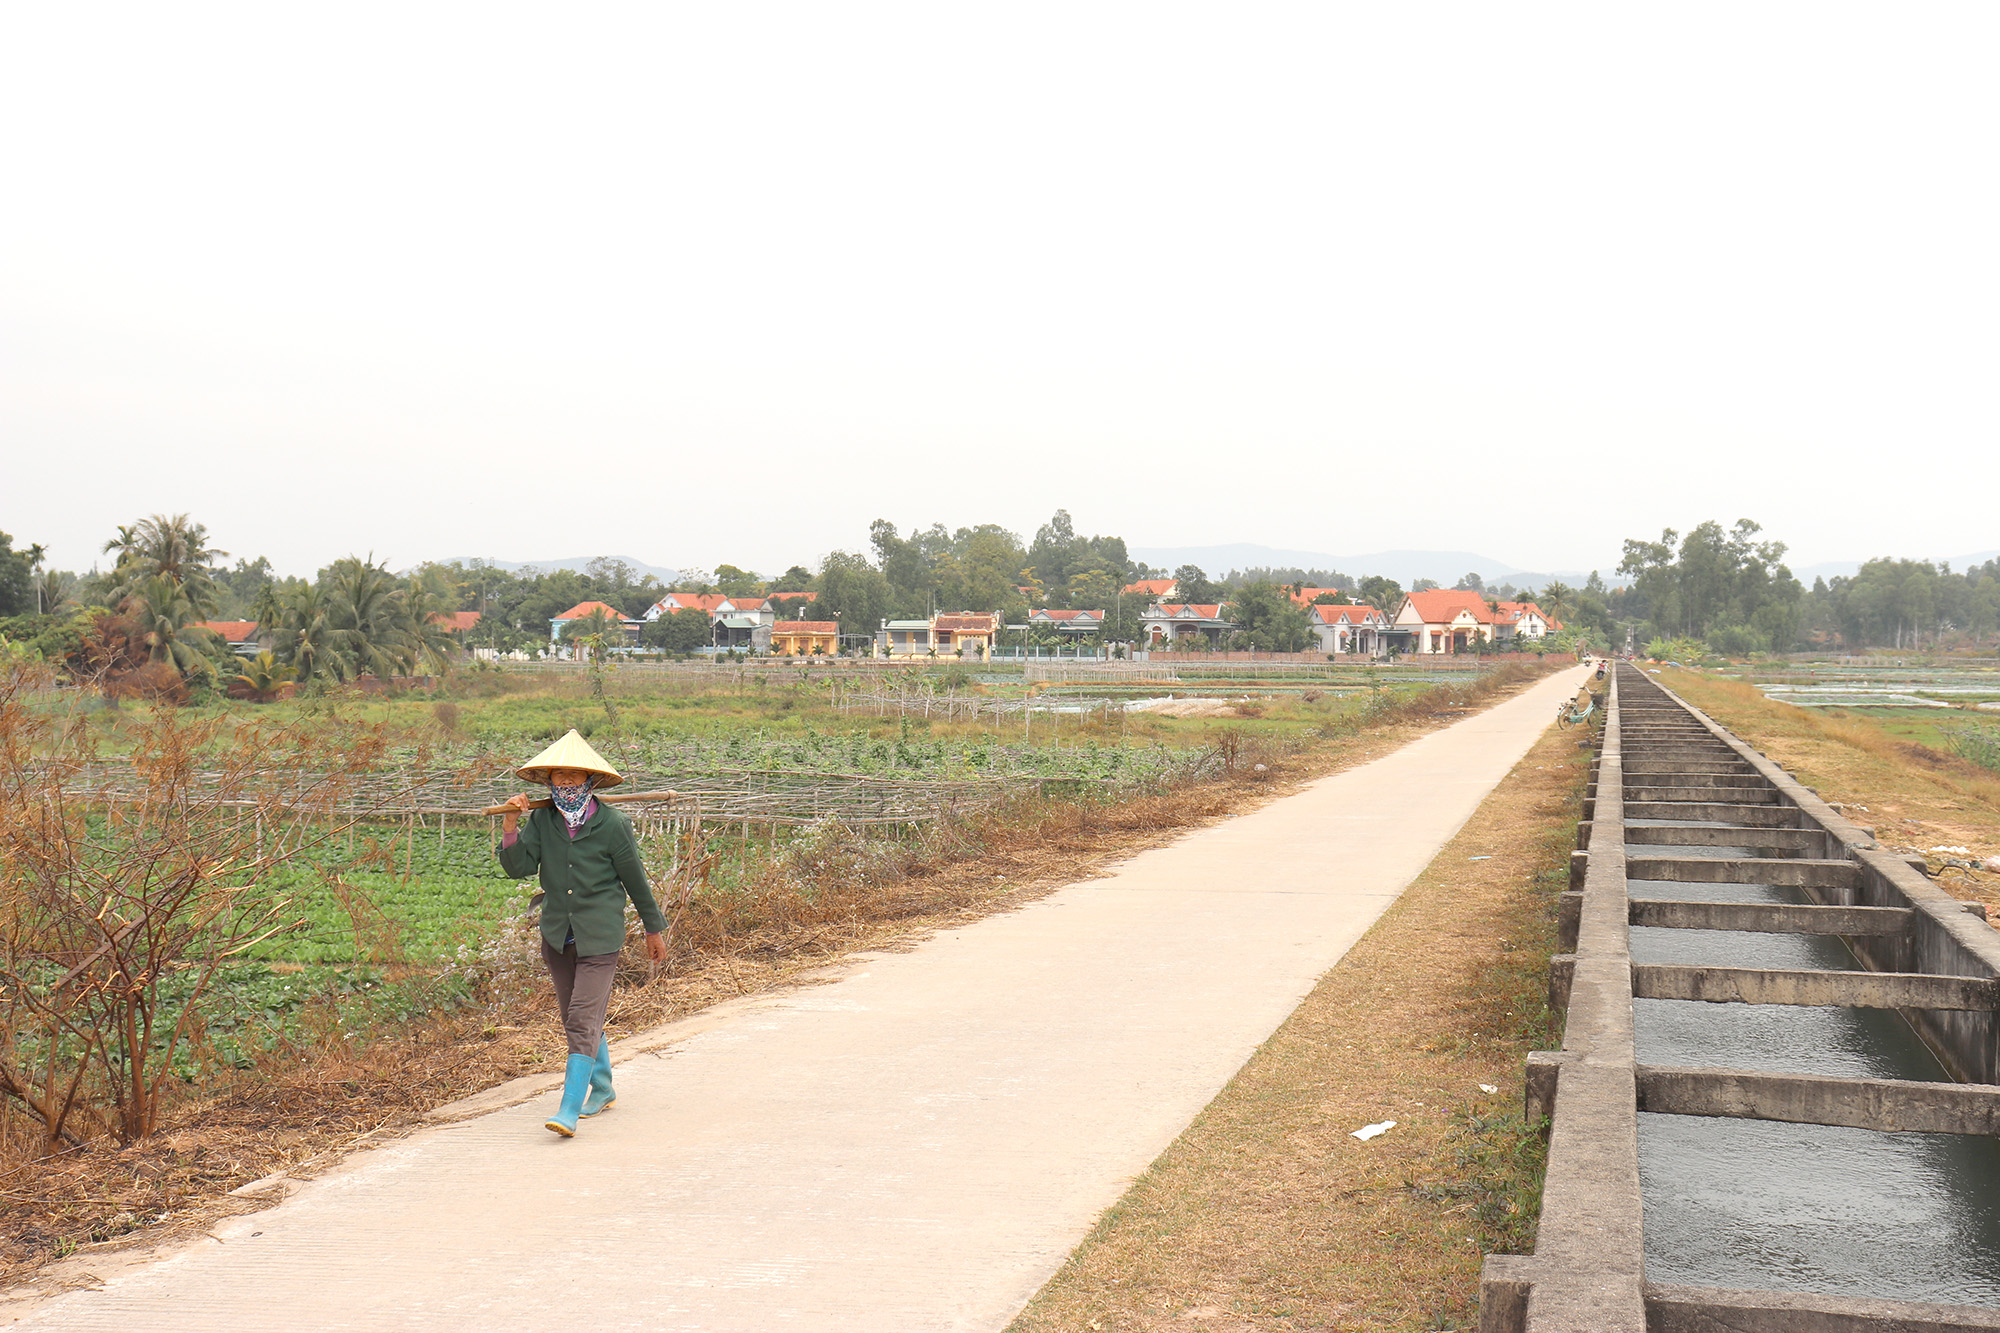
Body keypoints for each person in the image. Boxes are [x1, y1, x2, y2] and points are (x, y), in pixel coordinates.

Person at [496, 729, 669, 1137]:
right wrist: (509, 824)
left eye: (576, 775)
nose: (567, 782)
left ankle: (569, 1108)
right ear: (550, 781)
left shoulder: (612, 824)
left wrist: (653, 927)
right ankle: (604, 1087)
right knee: (577, 1016)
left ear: (590, 780)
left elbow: (635, 880)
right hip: (558, 934)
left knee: (580, 1019)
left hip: (600, 936)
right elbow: (517, 868)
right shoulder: (542, 820)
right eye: (560, 776)